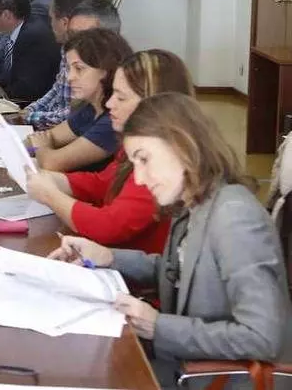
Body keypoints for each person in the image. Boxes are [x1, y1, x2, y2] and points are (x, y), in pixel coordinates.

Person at [49, 92, 290, 386]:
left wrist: (159, 327)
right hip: (184, 364)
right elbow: (178, 271)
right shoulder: (192, 201)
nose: (139, 179)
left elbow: (263, 337)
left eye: (144, 159)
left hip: (219, 380)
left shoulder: (235, 217)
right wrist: (107, 256)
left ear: (182, 146)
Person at [26, 50, 195, 253]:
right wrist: (53, 179)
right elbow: (103, 183)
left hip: (134, 268)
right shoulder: (137, 143)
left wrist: (50, 195)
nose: (109, 104)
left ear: (153, 103)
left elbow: (109, 226)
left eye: (121, 98)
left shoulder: (162, 159)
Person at [25, 29, 131, 172]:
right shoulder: (91, 108)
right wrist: (29, 147)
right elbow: (49, 136)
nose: (70, 77)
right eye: (69, 69)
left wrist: (39, 147)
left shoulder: (112, 121)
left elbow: (52, 162)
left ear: (106, 70)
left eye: (79, 69)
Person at [20, 0, 95, 130]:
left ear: (65, 23)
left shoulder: (89, 58)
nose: (50, 24)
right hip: (47, 125)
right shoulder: (66, 48)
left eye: (51, 18)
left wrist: (31, 117)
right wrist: (31, 109)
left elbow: (72, 115)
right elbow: (57, 89)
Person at [0, 0, 60, 102]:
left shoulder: (31, 36)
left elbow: (25, 89)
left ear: (6, 15)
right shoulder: (21, 28)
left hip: (30, 105)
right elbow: (13, 70)